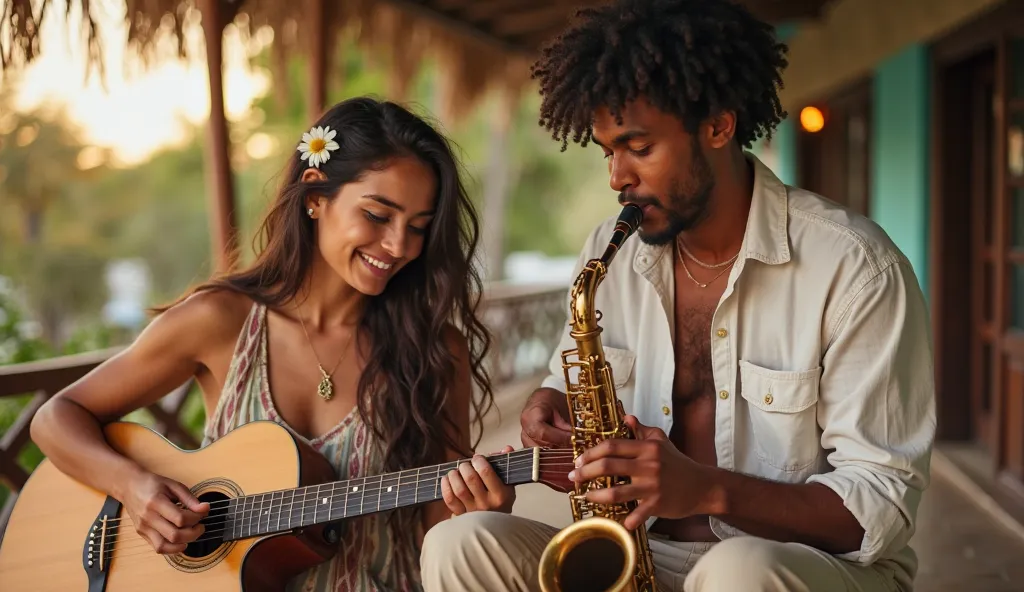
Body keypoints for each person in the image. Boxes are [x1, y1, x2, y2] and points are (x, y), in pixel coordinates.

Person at [419, 1, 936, 591]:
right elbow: (567, 379)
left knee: (736, 572)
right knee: (460, 544)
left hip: (799, 565)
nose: (616, 177)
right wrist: (549, 406)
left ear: (718, 125)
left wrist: (705, 488)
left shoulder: (856, 269)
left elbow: (881, 508)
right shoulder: (608, 253)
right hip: (639, 553)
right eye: (607, 151)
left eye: (638, 147)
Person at [29, 96, 515, 591]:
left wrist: (477, 510)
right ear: (314, 196)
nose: (398, 246)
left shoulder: (435, 350)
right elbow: (55, 418)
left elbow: (436, 525)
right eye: (376, 215)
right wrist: (133, 487)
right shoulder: (221, 321)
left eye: (417, 227)